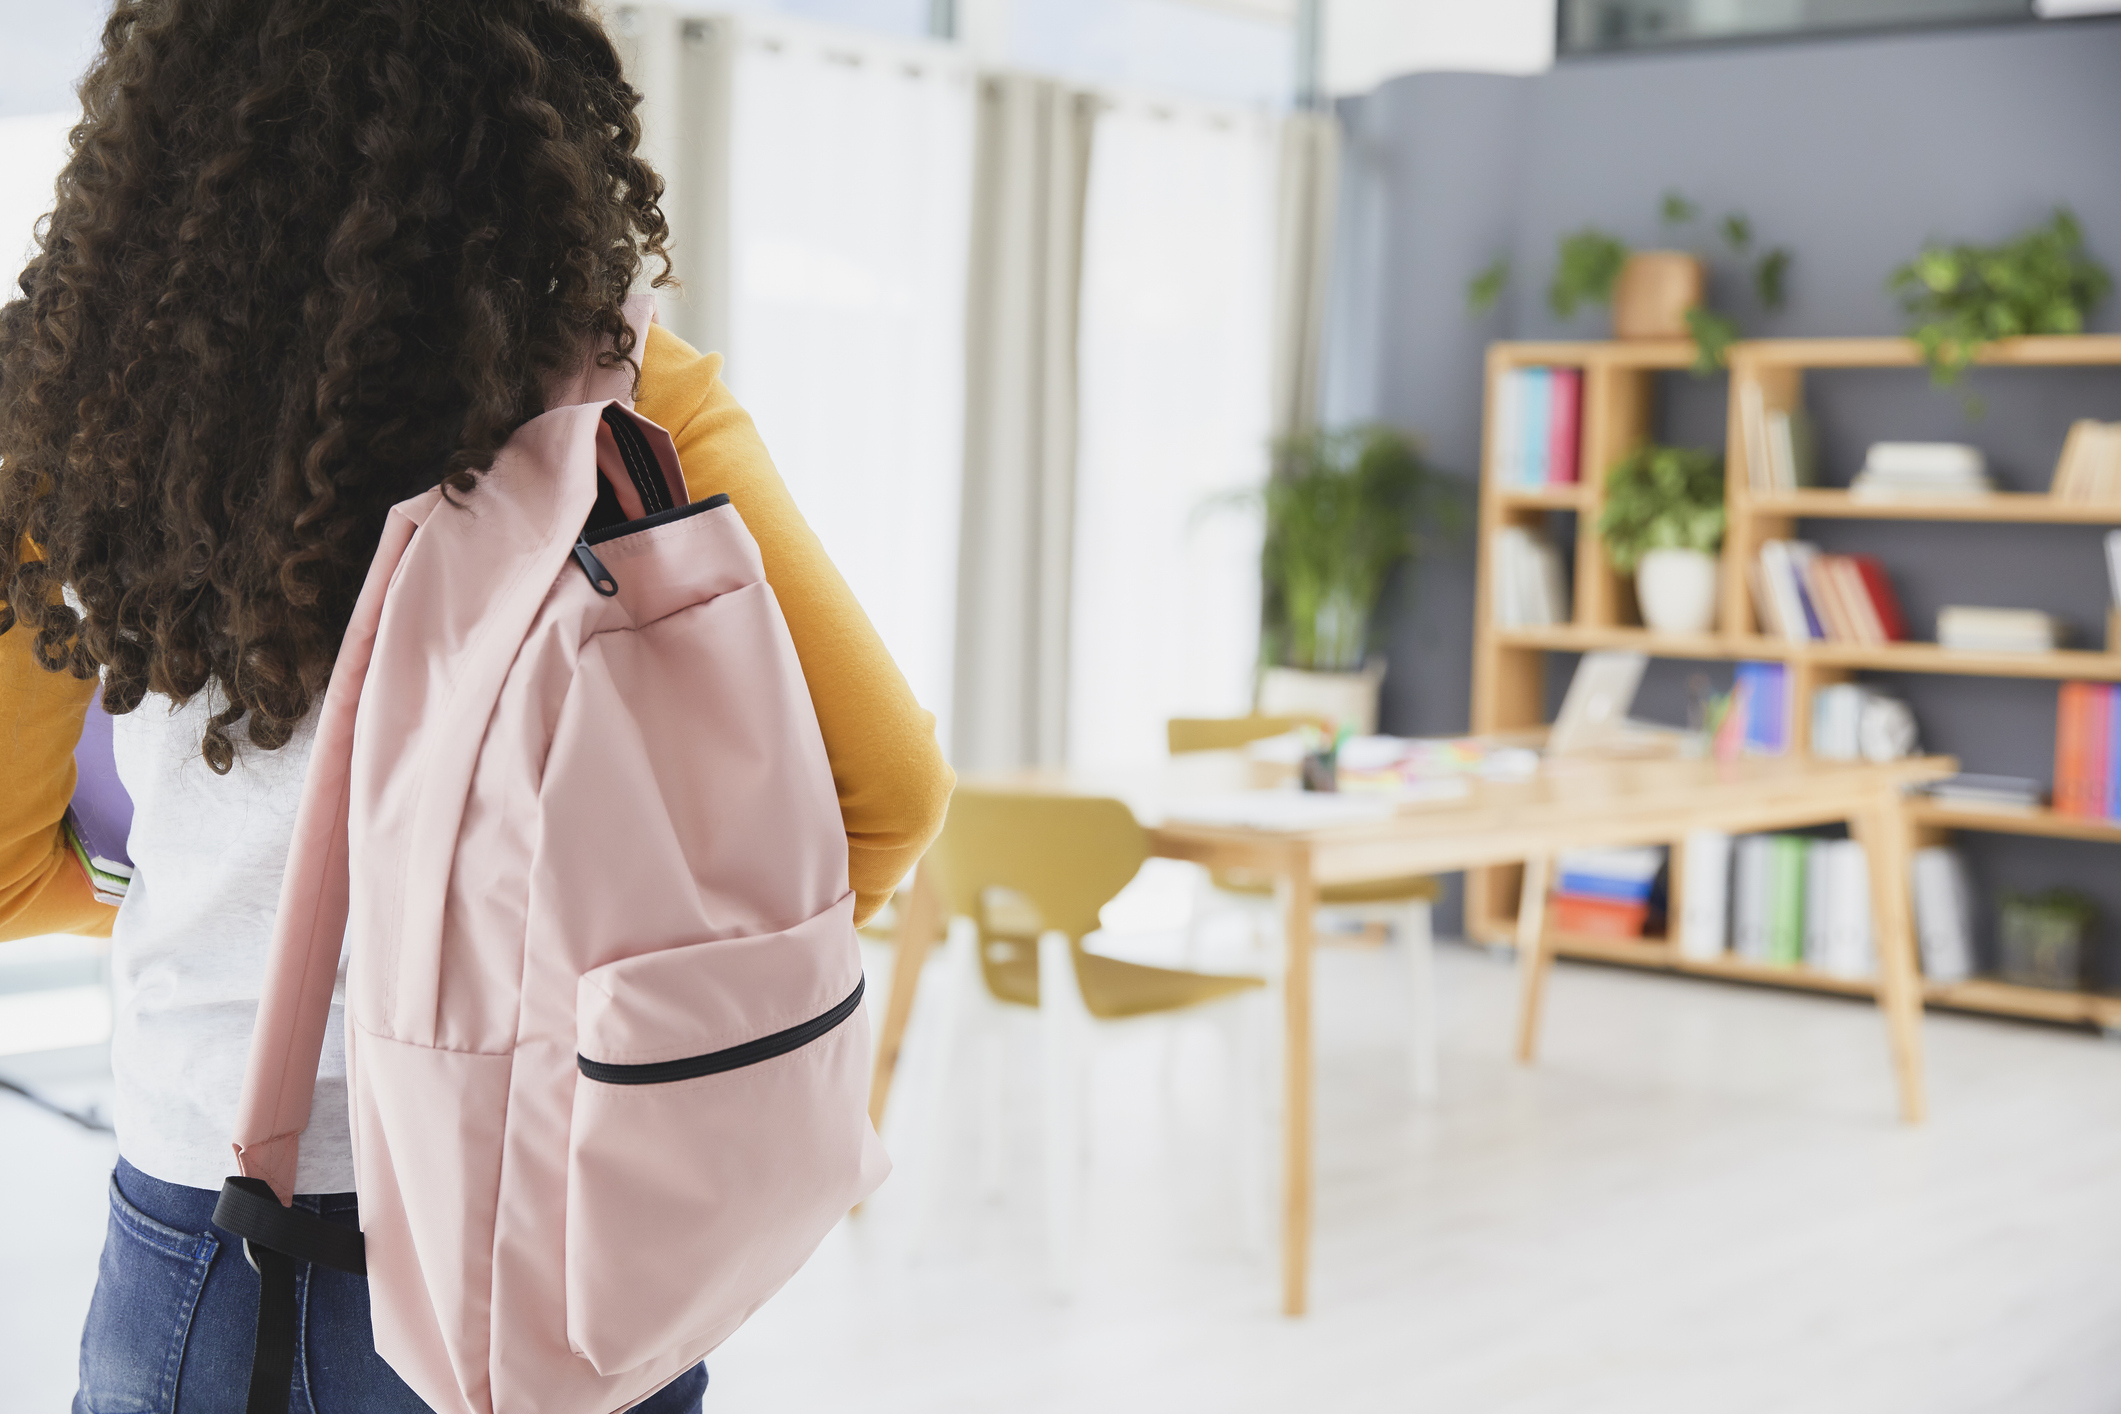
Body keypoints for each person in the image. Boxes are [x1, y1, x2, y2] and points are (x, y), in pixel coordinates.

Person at [0, 3, 954, 1410]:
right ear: (535, 129)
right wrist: (526, 951)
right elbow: (885, 803)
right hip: (560, 1240)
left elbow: (15, 865)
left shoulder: (87, 411)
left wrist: (243, 916)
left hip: (217, 1242)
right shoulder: (631, 402)